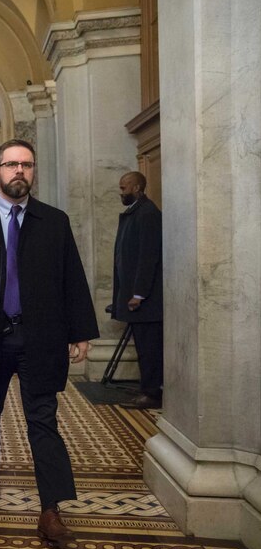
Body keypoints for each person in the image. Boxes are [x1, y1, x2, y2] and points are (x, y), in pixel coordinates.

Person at [0, 138, 99, 549]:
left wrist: (80, 330)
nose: (18, 172)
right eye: (10, 164)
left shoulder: (54, 222)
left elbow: (72, 279)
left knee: (43, 421)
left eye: (26, 165)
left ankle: (51, 510)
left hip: (39, 338)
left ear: (33, 171)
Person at [111, 171, 163, 409]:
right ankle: (147, 388)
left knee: (149, 348)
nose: (121, 192)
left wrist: (139, 293)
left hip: (147, 300)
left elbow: (148, 257)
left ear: (138, 188)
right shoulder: (136, 212)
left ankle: (152, 392)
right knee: (143, 347)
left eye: (124, 188)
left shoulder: (148, 213)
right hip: (135, 296)